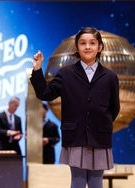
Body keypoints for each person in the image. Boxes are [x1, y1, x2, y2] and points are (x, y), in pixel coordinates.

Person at [30, 27, 120, 188]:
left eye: (92, 43)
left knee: (96, 182)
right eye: (83, 43)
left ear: (100, 47)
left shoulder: (110, 77)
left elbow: (114, 108)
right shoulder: (66, 73)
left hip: (100, 136)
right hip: (75, 136)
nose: (87, 47)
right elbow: (45, 93)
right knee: (77, 182)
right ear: (77, 47)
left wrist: (99, 123)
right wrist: (37, 69)